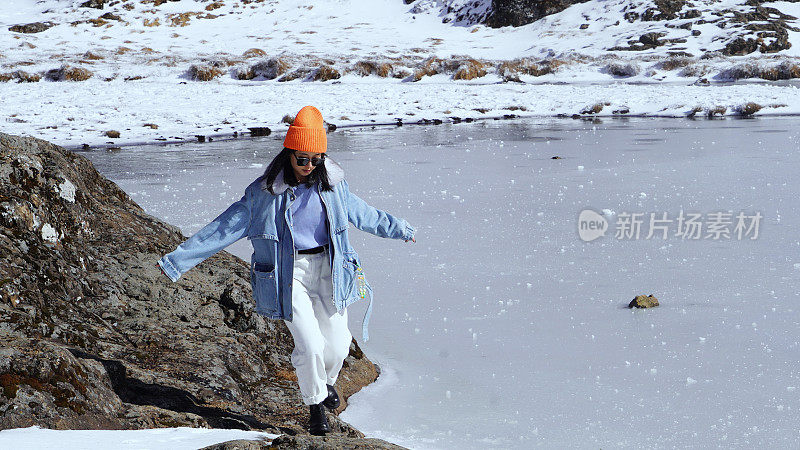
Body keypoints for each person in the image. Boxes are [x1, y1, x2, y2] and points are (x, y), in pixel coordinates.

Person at [156, 105, 416, 436]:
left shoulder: (334, 187)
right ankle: (315, 406)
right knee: (308, 344)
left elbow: (365, 214)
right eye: (301, 159)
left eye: (315, 159)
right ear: (288, 153)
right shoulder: (262, 195)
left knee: (337, 346)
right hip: (287, 274)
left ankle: (326, 384)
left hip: (331, 271)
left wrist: (399, 228)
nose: (309, 166)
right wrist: (177, 261)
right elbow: (221, 230)